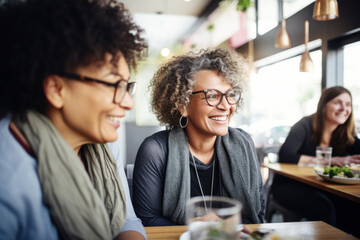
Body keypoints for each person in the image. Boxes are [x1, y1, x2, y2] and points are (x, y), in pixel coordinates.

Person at [0, 0, 147, 239]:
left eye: (126, 86)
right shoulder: (8, 176)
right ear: (57, 89)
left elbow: (126, 220)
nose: (128, 103)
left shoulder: (105, 146)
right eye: (113, 85)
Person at [132, 48, 265, 226]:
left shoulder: (244, 143)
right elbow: (147, 220)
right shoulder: (156, 150)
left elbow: (257, 210)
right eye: (212, 96)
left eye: (230, 95)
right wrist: (197, 227)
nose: (226, 106)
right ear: (183, 105)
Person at [271, 86, 360, 233]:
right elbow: (286, 155)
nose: (344, 108)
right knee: (325, 208)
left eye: (348, 104)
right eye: (338, 102)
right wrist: (332, 161)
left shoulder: (345, 132)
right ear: (324, 105)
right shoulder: (304, 125)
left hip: (323, 187)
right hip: (289, 185)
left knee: (352, 207)